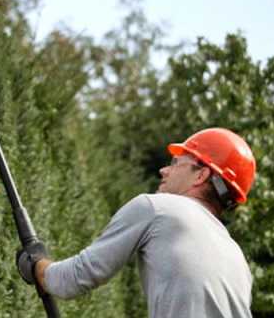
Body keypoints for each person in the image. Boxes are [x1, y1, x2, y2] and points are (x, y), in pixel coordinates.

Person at [17, 127, 257, 318]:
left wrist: (36, 264)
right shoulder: (237, 259)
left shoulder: (157, 208)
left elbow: (72, 279)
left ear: (201, 175)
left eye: (176, 163)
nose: (164, 170)